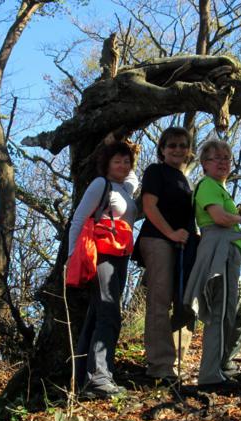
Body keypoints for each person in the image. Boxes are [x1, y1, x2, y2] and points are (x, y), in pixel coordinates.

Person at [69, 140, 139, 399]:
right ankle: (99, 378)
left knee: (97, 315)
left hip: (121, 257)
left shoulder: (126, 190)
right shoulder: (101, 184)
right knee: (109, 313)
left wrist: (133, 150)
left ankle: (84, 380)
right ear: (106, 164)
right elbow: (78, 218)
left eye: (126, 161)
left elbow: (133, 178)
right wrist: (71, 256)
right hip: (102, 256)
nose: (122, 166)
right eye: (117, 161)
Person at [183, 139, 241, 387]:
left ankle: (224, 362)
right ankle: (210, 375)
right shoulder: (207, 185)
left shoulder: (221, 189)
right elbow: (219, 218)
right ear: (204, 163)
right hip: (219, 252)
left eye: (226, 158)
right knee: (220, 312)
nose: (223, 162)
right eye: (216, 158)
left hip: (230, 254)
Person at [135, 127, 197, 382]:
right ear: (162, 149)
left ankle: (176, 362)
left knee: (185, 301)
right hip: (158, 240)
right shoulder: (155, 171)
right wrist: (171, 233)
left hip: (183, 245)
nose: (178, 149)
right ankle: (160, 365)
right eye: (172, 145)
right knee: (160, 300)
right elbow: (149, 207)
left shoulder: (187, 181)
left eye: (183, 145)